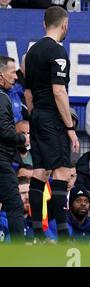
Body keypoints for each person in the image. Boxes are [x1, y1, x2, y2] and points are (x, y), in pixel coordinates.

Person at [24, 6, 79, 242]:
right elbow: (59, 91)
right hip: (52, 118)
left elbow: (27, 92)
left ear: (44, 23)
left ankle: (38, 232)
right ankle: (65, 235)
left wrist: (35, 117)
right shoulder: (57, 51)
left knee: (40, 171)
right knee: (61, 172)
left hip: (36, 115)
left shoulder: (31, 52)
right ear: (64, 25)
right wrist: (69, 127)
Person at [0, 55, 26, 242]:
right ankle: (18, 252)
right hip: (1, 161)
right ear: (0, 75)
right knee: (15, 206)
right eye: (12, 72)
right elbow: (4, 131)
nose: (16, 77)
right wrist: (22, 138)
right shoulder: (2, 98)